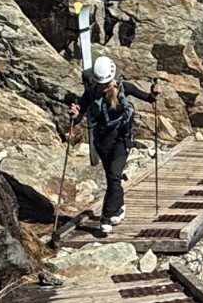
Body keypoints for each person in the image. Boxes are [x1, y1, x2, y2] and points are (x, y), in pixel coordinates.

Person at [65, 55, 159, 234]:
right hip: (102, 141)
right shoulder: (91, 93)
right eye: (100, 83)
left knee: (115, 176)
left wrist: (154, 92)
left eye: (105, 83)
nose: (103, 86)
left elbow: (149, 98)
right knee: (111, 177)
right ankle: (120, 206)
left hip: (122, 139)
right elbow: (79, 116)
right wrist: (74, 115)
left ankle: (106, 217)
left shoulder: (124, 88)